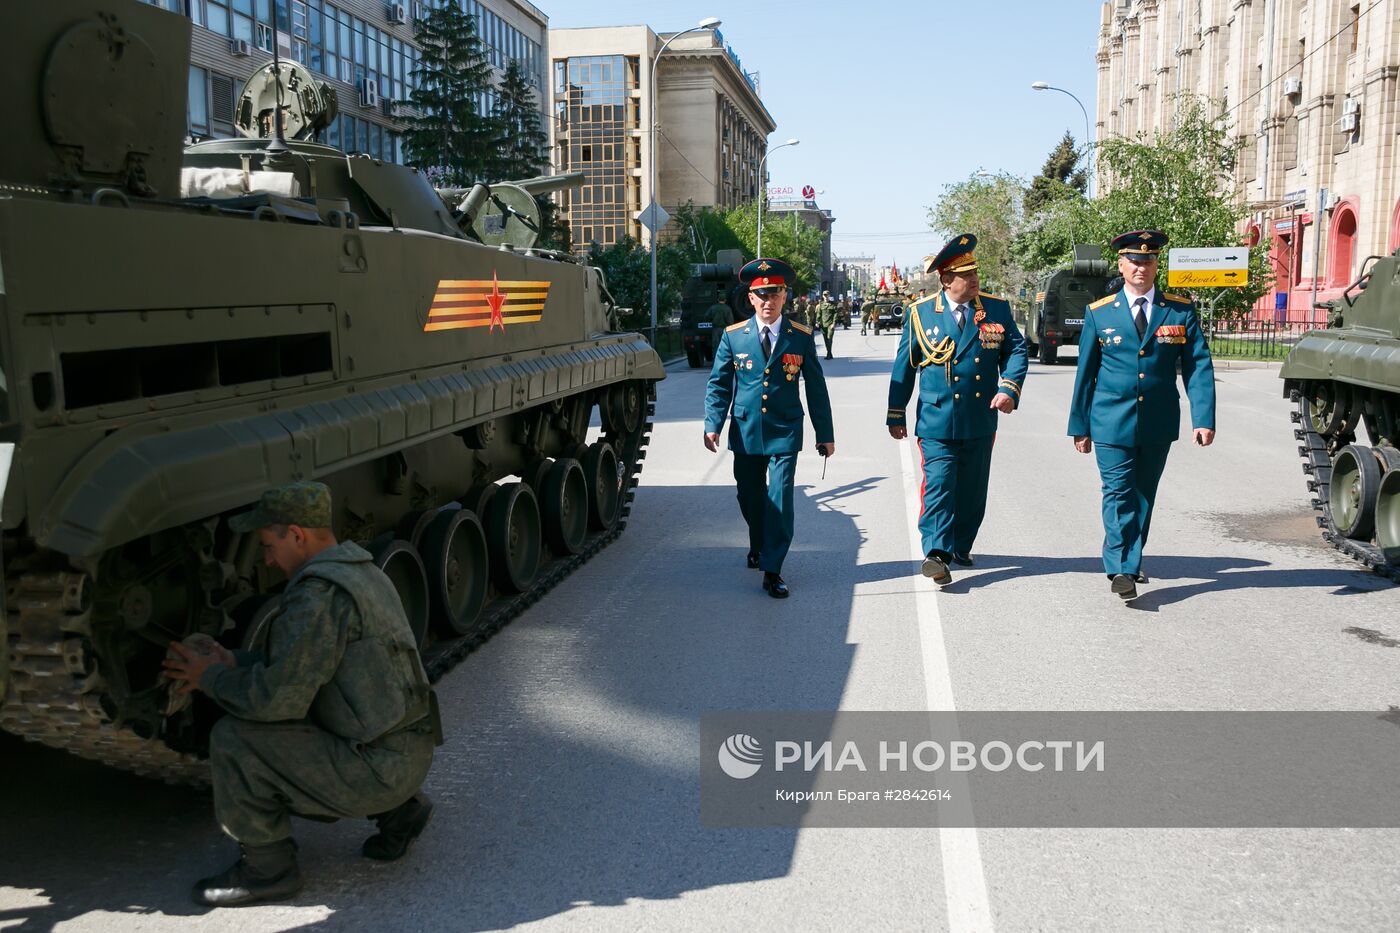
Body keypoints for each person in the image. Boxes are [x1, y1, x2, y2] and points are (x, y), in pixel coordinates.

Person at [164, 481, 439, 907]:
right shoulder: (360, 569)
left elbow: (276, 701)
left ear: (296, 534)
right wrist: (233, 662)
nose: (267, 560)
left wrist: (209, 680)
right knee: (312, 704)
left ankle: (268, 870)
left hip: (380, 768)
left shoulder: (317, 595)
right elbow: (309, 664)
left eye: (268, 545)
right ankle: (401, 810)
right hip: (406, 750)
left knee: (235, 738)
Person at [1067, 229, 1216, 601]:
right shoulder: (1100, 313)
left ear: (1156, 265)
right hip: (1109, 422)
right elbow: (1085, 373)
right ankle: (1122, 568)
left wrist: (1204, 418)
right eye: (1134, 260)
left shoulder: (1179, 310)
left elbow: (1198, 367)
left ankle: (1130, 556)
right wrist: (1079, 426)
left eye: (1148, 261)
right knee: (1118, 492)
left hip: (1158, 422)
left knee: (1143, 495)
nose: (1141, 267)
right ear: (1121, 264)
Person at [886, 234, 1029, 584]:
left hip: (980, 417)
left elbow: (1016, 351)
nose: (975, 279)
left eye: (976, 272)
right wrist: (896, 412)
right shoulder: (920, 314)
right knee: (938, 485)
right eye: (966, 275)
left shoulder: (995, 309)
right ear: (946, 279)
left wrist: (1008, 388)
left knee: (971, 489)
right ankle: (936, 552)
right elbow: (905, 367)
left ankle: (961, 544)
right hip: (936, 419)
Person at [703, 258, 836, 599]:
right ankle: (759, 543)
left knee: (779, 498)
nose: (768, 301)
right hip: (746, 431)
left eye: (774, 293)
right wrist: (713, 424)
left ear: (784, 296)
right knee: (749, 495)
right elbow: (719, 384)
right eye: (761, 294)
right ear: (750, 298)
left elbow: (816, 388)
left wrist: (825, 434)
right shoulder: (734, 337)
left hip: (785, 431)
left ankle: (773, 568)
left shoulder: (800, 337)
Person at [707, 294, 734, 360]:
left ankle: (716, 361)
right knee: (725, 346)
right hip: (725, 329)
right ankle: (724, 360)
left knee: (716, 346)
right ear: (725, 300)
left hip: (715, 329)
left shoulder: (713, 308)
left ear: (718, 299)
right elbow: (731, 321)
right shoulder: (727, 308)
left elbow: (706, 316)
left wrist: (712, 320)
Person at [815, 291, 839, 359]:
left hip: (830, 325)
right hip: (823, 326)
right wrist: (817, 322)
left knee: (829, 339)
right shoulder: (821, 305)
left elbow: (835, 314)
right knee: (825, 340)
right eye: (824, 295)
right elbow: (819, 314)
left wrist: (834, 323)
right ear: (823, 296)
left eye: (827, 295)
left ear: (829, 295)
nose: (825, 296)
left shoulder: (833, 304)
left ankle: (828, 354)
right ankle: (829, 353)